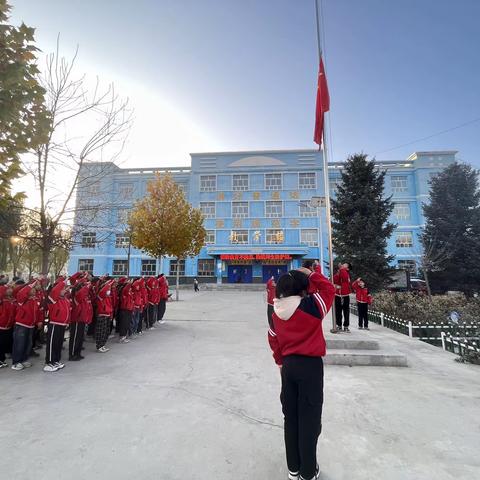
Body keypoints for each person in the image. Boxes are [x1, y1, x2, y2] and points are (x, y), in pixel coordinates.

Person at [268, 268, 335, 480]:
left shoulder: (274, 311)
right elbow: (329, 289)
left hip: (288, 367)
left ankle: (293, 469)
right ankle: (308, 472)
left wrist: (281, 362)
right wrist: (312, 273)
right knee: (310, 420)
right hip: (310, 368)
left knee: (291, 418)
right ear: (302, 289)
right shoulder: (310, 306)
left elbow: (273, 339)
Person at [44, 279, 70, 372]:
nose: (65, 290)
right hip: (54, 324)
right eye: (63, 289)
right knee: (52, 344)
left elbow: (67, 312)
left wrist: (67, 322)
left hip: (62, 324)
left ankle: (55, 360)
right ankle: (49, 362)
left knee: (58, 344)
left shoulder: (65, 299)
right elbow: (55, 290)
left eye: (65, 289)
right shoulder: (53, 298)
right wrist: (63, 282)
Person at [11, 281, 38, 371]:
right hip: (21, 325)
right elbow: (21, 292)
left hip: (30, 325)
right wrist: (30, 285)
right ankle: (16, 362)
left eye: (34, 289)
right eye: (32, 289)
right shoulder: (22, 299)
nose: (34, 290)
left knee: (28, 344)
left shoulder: (34, 300)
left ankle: (23, 359)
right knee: (19, 344)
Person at [69, 274, 93, 360]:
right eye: (83, 286)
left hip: (82, 318)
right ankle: (72, 354)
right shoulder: (77, 294)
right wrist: (86, 286)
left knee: (79, 337)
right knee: (75, 337)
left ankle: (78, 353)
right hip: (77, 318)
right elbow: (80, 294)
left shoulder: (84, 295)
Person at [95, 278, 114, 352]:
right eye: (108, 288)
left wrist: (111, 315)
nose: (109, 290)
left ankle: (103, 345)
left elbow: (110, 306)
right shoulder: (101, 294)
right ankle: (99, 345)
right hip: (102, 315)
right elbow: (103, 290)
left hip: (107, 315)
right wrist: (109, 283)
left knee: (105, 332)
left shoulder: (107, 297)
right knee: (101, 331)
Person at [333, 263, 352, 332]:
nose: (343, 265)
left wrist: (341, 269)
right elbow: (334, 280)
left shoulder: (346, 273)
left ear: (348, 268)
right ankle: (339, 325)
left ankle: (346, 326)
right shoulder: (340, 272)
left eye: (345, 265)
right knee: (338, 311)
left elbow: (344, 278)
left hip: (345, 295)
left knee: (346, 311)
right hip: (338, 295)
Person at [0, 284, 15, 369]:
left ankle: (2, 360)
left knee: (4, 344)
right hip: (1, 326)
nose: (10, 290)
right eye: (7, 289)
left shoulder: (12, 299)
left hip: (9, 326)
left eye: (10, 288)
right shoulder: (2, 301)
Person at [117, 277, 133, 342]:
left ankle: (124, 336)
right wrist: (129, 284)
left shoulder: (129, 291)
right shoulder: (124, 290)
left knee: (127, 323)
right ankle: (122, 337)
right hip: (125, 309)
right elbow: (126, 289)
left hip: (129, 308)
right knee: (124, 323)